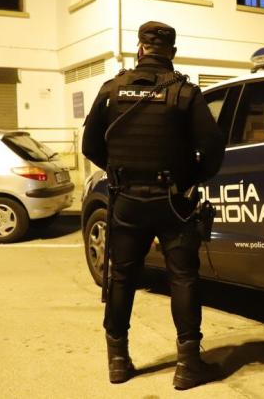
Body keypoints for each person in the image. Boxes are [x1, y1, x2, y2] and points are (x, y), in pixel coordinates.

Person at [82, 21, 226, 389]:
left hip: (126, 201)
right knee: (183, 277)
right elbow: (213, 148)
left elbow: (90, 146)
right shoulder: (185, 93)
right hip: (173, 202)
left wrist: (119, 173)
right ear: (172, 52)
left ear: (140, 48)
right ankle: (188, 365)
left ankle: (118, 361)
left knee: (122, 277)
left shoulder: (112, 89)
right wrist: (189, 179)